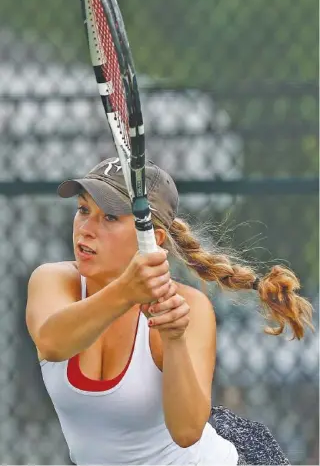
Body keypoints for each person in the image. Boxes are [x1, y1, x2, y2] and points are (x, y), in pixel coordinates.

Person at [26, 157, 314, 466]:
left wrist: (174, 338)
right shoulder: (53, 281)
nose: (86, 229)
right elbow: (52, 343)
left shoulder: (187, 306)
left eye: (109, 217)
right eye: (83, 209)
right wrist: (126, 291)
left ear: (152, 240)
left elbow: (187, 430)